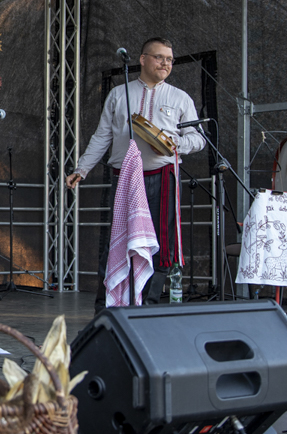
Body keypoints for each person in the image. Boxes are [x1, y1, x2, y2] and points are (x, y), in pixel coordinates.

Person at [65, 38, 204, 309]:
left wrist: (175, 143)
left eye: (169, 59)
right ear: (142, 59)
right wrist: (82, 168)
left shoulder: (179, 97)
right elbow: (102, 136)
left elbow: (197, 138)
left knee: (159, 244)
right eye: (159, 57)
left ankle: (146, 310)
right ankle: (106, 310)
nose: (165, 63)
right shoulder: (119, 94)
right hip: (125, 177)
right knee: (117, 241)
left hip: (163, 176)